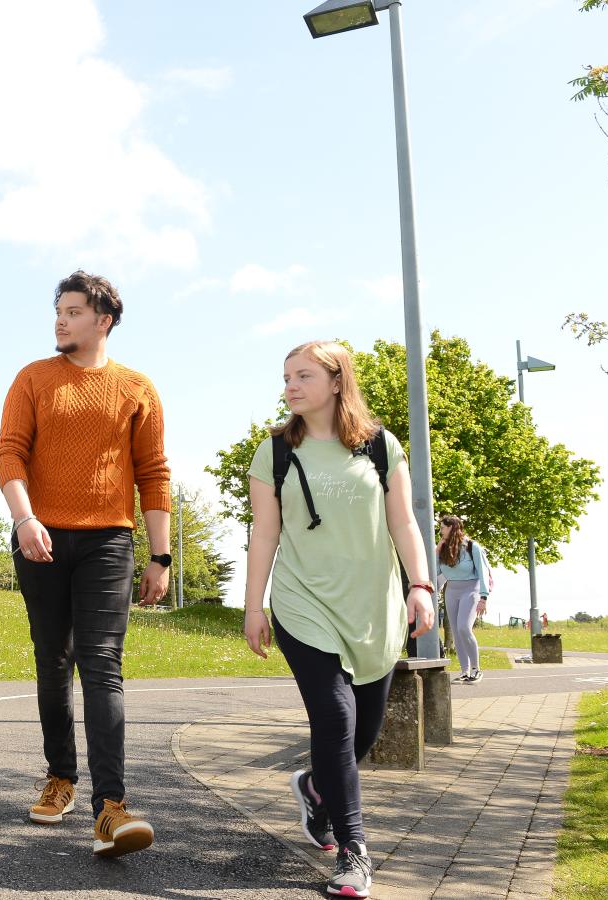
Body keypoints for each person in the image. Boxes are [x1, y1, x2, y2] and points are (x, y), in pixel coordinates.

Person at [242, 339, 436, 898]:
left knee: (364, 733)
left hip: (373, 605)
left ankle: (316, 787)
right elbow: (265, 535)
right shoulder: (274, 451)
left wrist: (420, 586)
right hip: (303, 604)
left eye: (302, 375)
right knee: (335, 719)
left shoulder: (380, 447)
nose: (291, 386)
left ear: (335, 380)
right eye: (286, 377)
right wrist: (255, 605)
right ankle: (354, 853)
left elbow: (403, 524)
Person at [0, 270, 172, 859]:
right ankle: (60, 776)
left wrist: (160, 554)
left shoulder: (137, 387)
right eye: (58, 310)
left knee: (101, 663)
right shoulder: (33, 378)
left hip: (108, 543)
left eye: (73, 311)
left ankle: (111, 807)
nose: (60, 320)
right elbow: (9, 452)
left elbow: (153, 474)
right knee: (53, 660)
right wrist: (25, 520)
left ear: (104, 320)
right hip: (39, 538)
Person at [436, 515, 489, 684]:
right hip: (451, 590)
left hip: (471, 590)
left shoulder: (472, 547)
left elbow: (483, 572)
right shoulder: (443, 548)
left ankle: (476, 669)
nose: (440, 530)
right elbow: (435, 570)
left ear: (452, 528)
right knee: (457, 633)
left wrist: (483, 598)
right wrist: (437, 551)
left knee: (464, 628)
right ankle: (465, 671)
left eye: (443, 527)